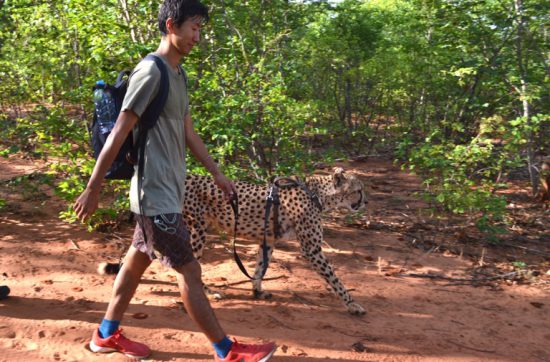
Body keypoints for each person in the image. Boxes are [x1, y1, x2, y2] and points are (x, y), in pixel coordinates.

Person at [73, 1, 276, 360]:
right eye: (193, 28)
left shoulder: (177, 74)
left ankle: (105, 334)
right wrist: (93, 186)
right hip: (154, 193)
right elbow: (119, 132)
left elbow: (188, 132)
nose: (198, 37)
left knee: (136, 261)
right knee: (189, 270)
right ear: (172, 25)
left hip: (168, 189)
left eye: (200, 29)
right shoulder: (150, 72)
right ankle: (226, 350)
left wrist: (217, 174)